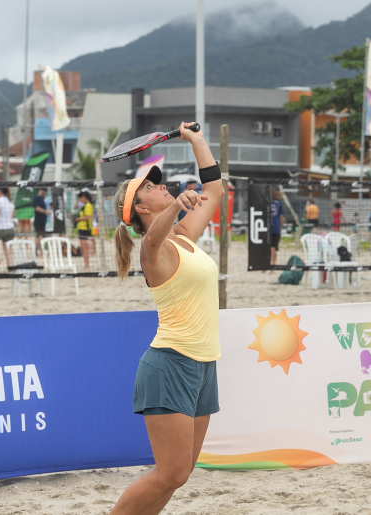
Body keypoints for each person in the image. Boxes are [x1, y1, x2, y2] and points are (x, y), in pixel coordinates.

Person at [109, 122, 224, 514]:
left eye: (156, 183)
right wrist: (176, 205)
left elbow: (214, 190)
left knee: (181, 472)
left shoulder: (185, 236)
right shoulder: (151, 248)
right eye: (150, 187)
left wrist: (196, 140)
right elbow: (154, 237)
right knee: (170, 472)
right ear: (141, 208)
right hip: (171, 364)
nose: (160, 186)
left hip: (204, 364)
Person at [75, 190, 96, 271]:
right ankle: (86, 265)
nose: (79, 200)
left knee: (85, 249)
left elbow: (88, 217)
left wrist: (78, 219)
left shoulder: (88, 205)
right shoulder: (86, 205)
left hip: (85, 229)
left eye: (80, 198)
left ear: (83, 197)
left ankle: (86, 265)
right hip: (83, 229)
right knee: (84, 249)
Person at [269, 189, 285, 269]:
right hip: (275, 227)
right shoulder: (279, 203)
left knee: (269, 248)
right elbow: (280, 216)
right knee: (273, 248)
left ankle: (267, 266)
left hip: (268, 227)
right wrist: (281, 227)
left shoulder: (268, 202)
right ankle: (273, 265)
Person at [33, 188, 51, 256]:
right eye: (45, 192)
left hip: (42, 221)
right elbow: (36, 208)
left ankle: (36, 252)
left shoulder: (42, 198)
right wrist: (45, 211)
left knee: (39, 237)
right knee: (40, 236)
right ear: (42, 191)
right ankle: (40, 252)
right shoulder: (37, 198)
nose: (46, 193)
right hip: (39, 221)